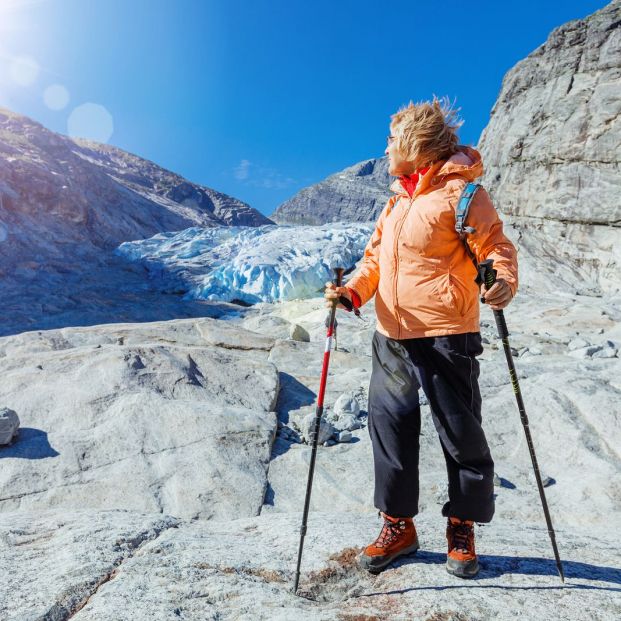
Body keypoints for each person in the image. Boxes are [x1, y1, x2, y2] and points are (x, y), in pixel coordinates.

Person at [324, 97, 518, 578]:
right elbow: (373, 263)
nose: (386, 148)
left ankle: (462, 525)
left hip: (447, 334)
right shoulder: (395, 204)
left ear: (417, 143)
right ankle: (398, 525)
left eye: (392, 140)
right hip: (390, 335)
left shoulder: (464, 196)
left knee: (460, 434)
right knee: (390, 430)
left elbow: (495, 247)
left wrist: (502, 282)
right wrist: (352, 294)